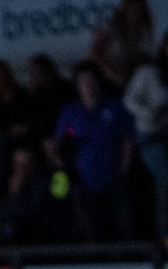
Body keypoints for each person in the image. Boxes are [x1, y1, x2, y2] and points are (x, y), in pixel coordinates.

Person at [55, 62, 136, 241]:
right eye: (83, 81)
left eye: (91, 80)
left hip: (114, 176)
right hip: (82, 180)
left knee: (123, 225)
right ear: (77, 85)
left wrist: (124, 169)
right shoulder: (70, 112)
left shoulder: (114, 107)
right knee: (90, 228)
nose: (88, 86)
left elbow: (127, 139)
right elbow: (60, 144)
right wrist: (67, 173)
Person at [123, 30, 168, 240]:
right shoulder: (149, 72)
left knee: (163, 189)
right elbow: (129, 100)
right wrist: (149, 113)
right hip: (150, 136)